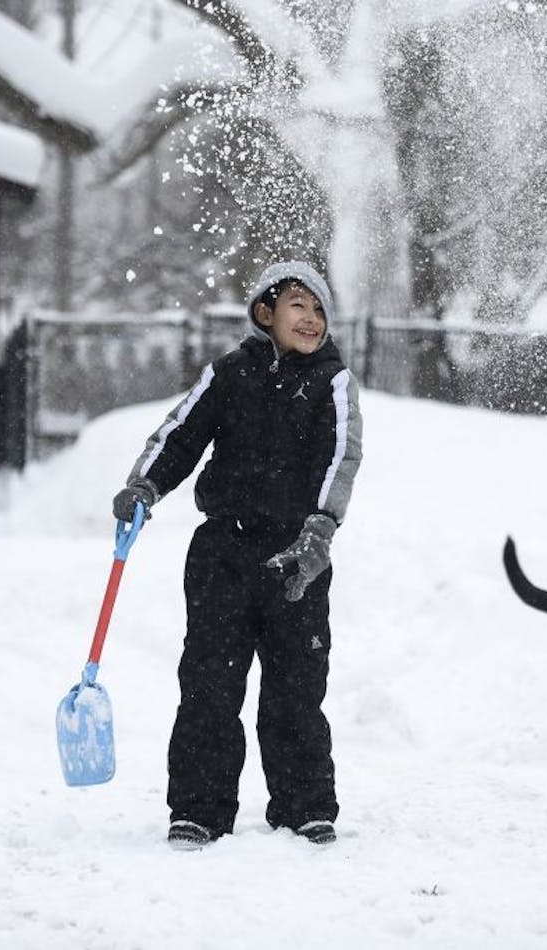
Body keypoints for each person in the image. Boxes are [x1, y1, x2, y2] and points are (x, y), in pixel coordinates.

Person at [111, 261, 363, 849]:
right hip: (222, 549)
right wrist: (145, 485)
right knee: (208, 681)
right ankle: (200, 808)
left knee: (296, 685)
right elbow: (179, 435)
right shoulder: (228, 375)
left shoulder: (333, 381)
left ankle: (303, 805)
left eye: (320, 310)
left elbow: (340, 459)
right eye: (299, 305)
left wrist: (319, 533)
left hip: (296, 556)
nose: (312, 318)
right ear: (264, 313)